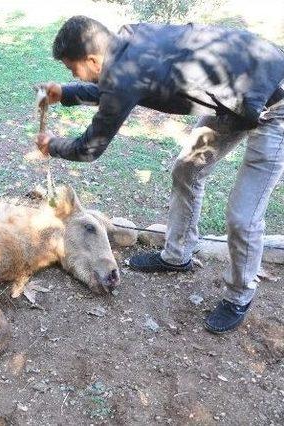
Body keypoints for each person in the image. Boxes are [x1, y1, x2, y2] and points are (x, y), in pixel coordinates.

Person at [35, 15, 284, 333]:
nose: (72, 74)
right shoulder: (127, 44)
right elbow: (119, 89)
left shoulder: (126, 71)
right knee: (186, 172)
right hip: (235, 102)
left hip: (274, 107)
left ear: (93, 59)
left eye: (73, 69)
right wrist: (66, 92)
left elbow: (89, 148)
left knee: (243, 216)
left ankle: (239, 296)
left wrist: (52, 145)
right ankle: (178, 254)